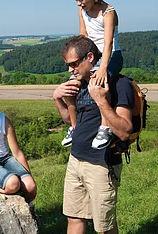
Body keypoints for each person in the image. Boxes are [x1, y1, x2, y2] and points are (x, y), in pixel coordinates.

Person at [53, 35, 133, 234]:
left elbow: (124, 130)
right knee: (74, 219)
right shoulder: (78, 83)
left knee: (104, 227)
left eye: (73, 64)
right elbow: (72, 121)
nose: (70, 70)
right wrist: (57, 99)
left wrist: (101, 101)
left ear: (90, 57)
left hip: (101, 165)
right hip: (75, 160)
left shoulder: (119, 84)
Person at [62, 0, 124, 150]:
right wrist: (80, 60)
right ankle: (74, 127)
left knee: (99, 84)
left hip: (111, 56)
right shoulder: (82, 10)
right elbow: (83, 36)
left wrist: (103, 68)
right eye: (76, 0)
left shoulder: (108, 12)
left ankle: (105, 127)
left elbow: (108, 43)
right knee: (70, 88)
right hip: (91, 54)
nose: (79, 3)